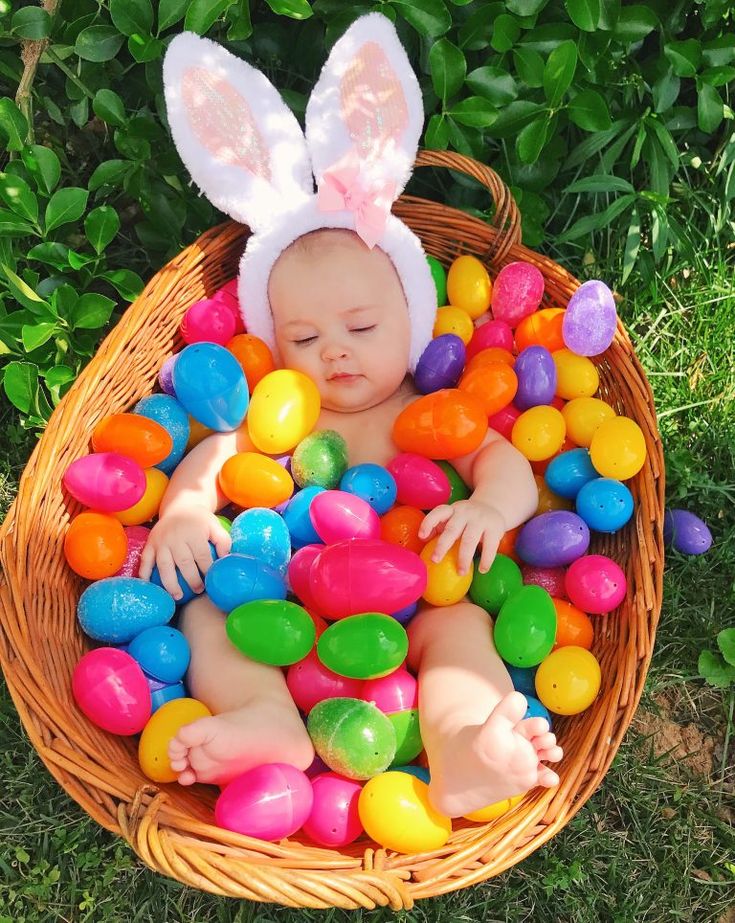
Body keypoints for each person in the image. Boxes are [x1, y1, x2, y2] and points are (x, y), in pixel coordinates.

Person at [145, 12, 563, 818]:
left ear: (412, 319)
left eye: (362, 327)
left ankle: (460, 746)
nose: (333, 351)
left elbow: (500, 459)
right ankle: (268, 717)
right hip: (282, 594)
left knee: (459, 632)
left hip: (426, 586)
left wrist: (487, 506)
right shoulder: (287, 411)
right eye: (302, 336)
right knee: (205, 611)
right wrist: (186, 510)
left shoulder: (431, 405)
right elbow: (218, 449)